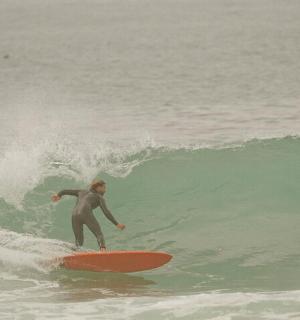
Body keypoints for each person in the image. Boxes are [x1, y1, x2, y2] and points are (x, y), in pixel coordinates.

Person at [51, 180, 125, 251]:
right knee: (98, 233)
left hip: (74, 215)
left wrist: (58, 195)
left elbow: (65, 191)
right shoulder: (99, 197)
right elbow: (106, 212)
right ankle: (103, 250)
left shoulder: (81, 191)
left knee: (79, 241)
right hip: (85, 213)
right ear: (98, 187)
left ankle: (75, 253)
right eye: (104, 188)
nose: (105, 190)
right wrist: (117, 224)